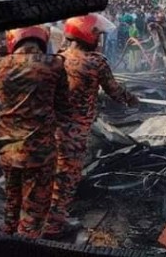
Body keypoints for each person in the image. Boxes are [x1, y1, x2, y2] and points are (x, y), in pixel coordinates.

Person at [0, 26, 71, 238]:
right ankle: (24, 247)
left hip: (8, 151)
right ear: (41, 41)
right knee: (34, 213)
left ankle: (8, 239)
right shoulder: (55, 64)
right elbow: (63, 106)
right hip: (40, 154)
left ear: (13, 42)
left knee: (12, 202)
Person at [43, 14, 138, 238]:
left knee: (52, 174)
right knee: (67, 178)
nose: (100, 39)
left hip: (52, 129)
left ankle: (47, 216)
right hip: (74, 133)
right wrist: (132, 99)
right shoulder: (96, 62)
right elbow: (115, 92)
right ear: (88, 34)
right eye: (98, 34)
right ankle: (53, 228)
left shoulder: (56, 59)